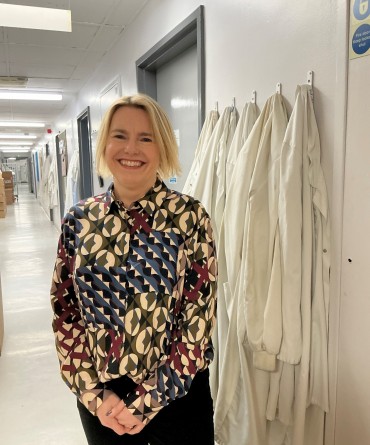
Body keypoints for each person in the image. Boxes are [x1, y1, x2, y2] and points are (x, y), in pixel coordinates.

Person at [50, 93, 218, 445]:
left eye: (146, 138)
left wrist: (147, 402)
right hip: (104, 401)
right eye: (120, 136)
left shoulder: (190, 218)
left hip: (178, 395)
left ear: (162, 147)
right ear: (105, 144)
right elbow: (66, 315)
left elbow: (198, 321)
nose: (132, 148)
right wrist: (95, 395)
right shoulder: (79, 221)